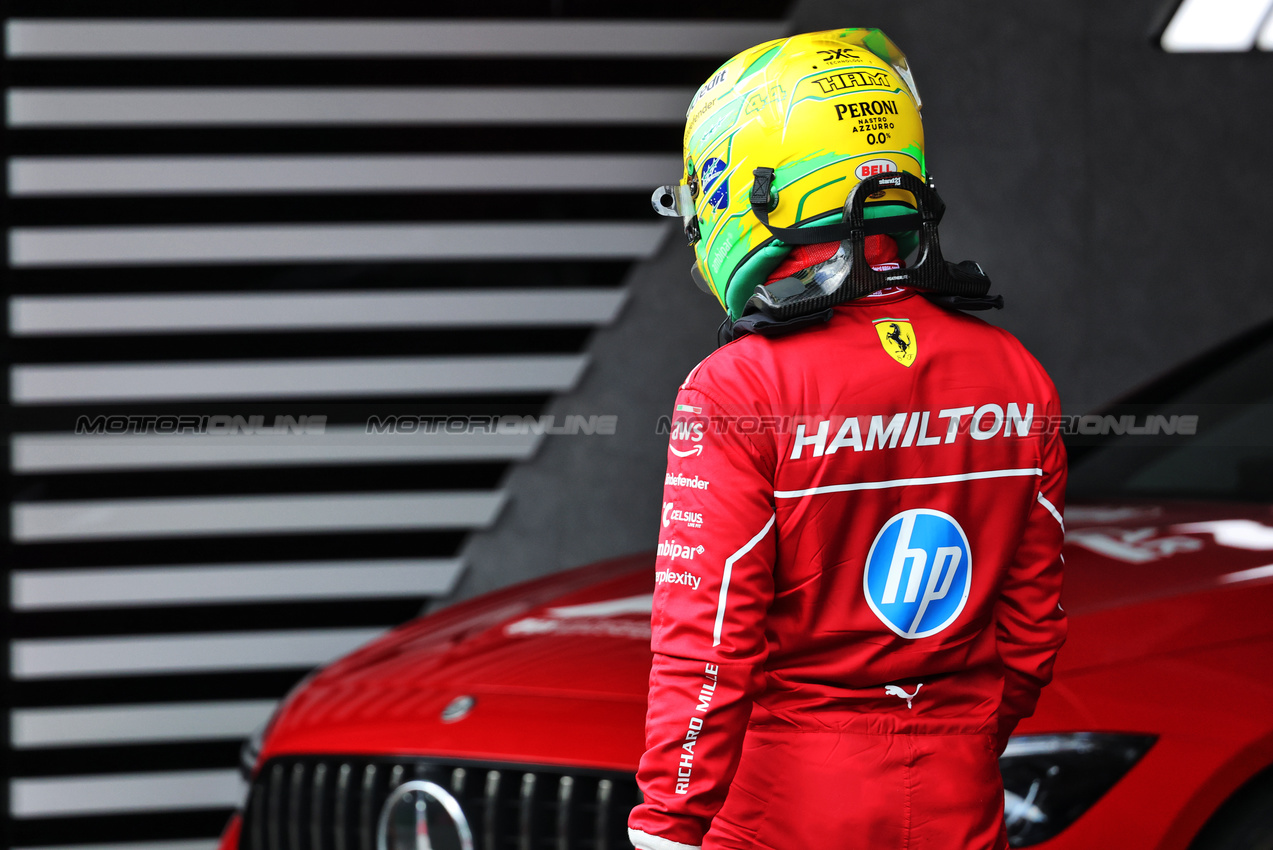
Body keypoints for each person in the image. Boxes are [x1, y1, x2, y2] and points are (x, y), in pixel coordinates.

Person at [630, 28, 1066, 850]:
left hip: (779, 811)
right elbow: (1031, 633)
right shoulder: (1017, 373)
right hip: (958, 797)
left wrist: (666, 819)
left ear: (758, 186)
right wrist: (949, 739)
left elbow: (708, 635)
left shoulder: (738, 388)